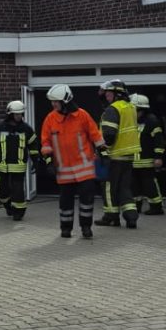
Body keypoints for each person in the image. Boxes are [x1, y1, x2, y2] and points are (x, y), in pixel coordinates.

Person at [40, 84, 105, 239]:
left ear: (66, 101)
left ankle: (86, 227)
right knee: (65, 202)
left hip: (84, 167)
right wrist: (48, 161)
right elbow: (46, 142)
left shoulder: (82, 116)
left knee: (87, 200)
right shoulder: (50, 118)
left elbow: (95, 135)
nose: (53, 104)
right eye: (52, 102)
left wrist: (103, 152)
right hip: (63, 169)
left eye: (56, 101)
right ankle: (66, 228)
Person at [94, 79, 141, 229]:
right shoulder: (131, 107)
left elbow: (109, 134)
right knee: (125, 187)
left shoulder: (112, 109)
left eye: (108, 94)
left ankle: (111, 216)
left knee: (108, 186)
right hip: (128, 156)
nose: (106, 97)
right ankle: (131, 216)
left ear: (117, 94)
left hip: (113, 156)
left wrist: (102, 148)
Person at [0, 100, 39, 221]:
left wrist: (36, 161)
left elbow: (33, 147)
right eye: (16, 114)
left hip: (18, 166)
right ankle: (8, 205)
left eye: (21, 114)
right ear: (10, 114)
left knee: (18, 190)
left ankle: (19, 212)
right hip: (1, 166)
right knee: (0, 189)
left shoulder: (26, 129)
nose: (19, 116)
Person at [130, 94, 166, 215]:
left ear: (141, 109)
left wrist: (158, 157)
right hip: (134, 161)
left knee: (149, 184)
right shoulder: (133, 121)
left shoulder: (152, 121)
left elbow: (159, 140)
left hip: (147, 160)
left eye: (133, 110)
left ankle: (156, 207)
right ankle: (136, 206)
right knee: (135, 186)